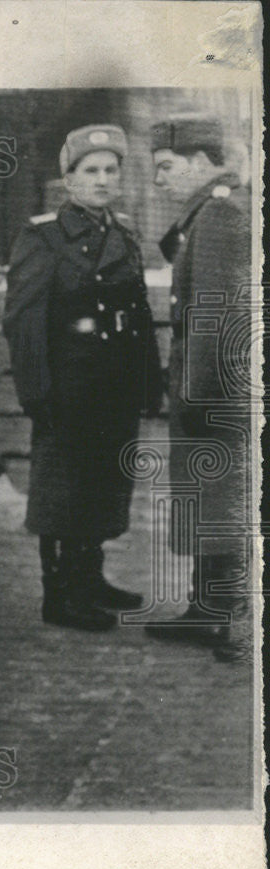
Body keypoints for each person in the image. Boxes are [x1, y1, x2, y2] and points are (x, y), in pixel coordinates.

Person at [3, 124, 162, 632]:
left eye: (110, 170)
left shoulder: (124, 232)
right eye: (89, 171)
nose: (101, 180)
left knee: (103, 486)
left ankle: (90, 581)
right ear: (68, 180)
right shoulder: (43, 237)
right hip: (67, 389)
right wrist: (36, 393)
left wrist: (148, 380)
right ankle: (60, 596)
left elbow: (136, 312)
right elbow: (24, 321)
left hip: (112, 387)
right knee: (62, 492)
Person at [145, 114, 253, 663]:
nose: (158, 180)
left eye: (166, 167)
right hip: (217, 393)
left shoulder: (219, 214)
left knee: (222, 504)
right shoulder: (217, 207)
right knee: (214, 504)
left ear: (203, 163)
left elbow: (215, 315)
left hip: (214, 396)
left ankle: (226, 624)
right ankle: (209, 612)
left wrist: (197, 394)